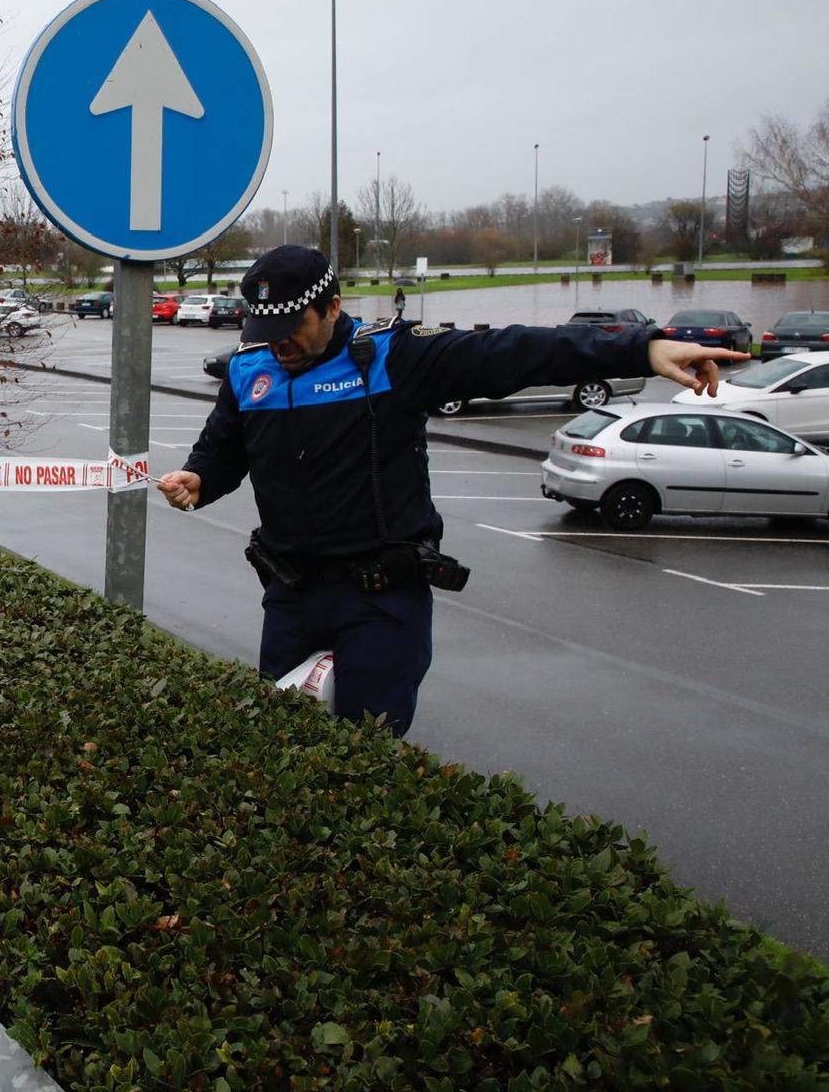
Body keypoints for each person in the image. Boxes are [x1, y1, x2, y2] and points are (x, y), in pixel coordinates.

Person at [154, 245, 746, 736]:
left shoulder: (392, 357)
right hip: (290, 595)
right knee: (281, 743)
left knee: (363, 754)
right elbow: (225, 448)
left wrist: (639, 347)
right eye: (266, 331)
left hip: (379, 599)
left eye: (291, 329)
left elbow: (515, 352)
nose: (277, 344)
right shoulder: (249, 369)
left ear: (333, 307)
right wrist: (198, 478)